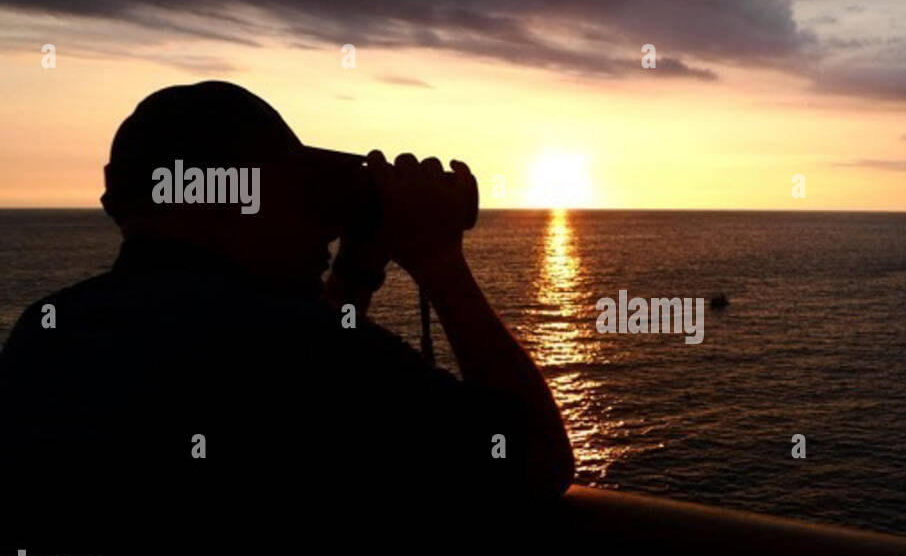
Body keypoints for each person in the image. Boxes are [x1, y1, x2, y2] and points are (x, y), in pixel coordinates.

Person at [0, 81, 574, 502]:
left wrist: (354, 276)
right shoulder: (300, 352)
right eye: (299, 192)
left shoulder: (48, 330)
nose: (325, 223)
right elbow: (537, 460)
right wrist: (441, 263)